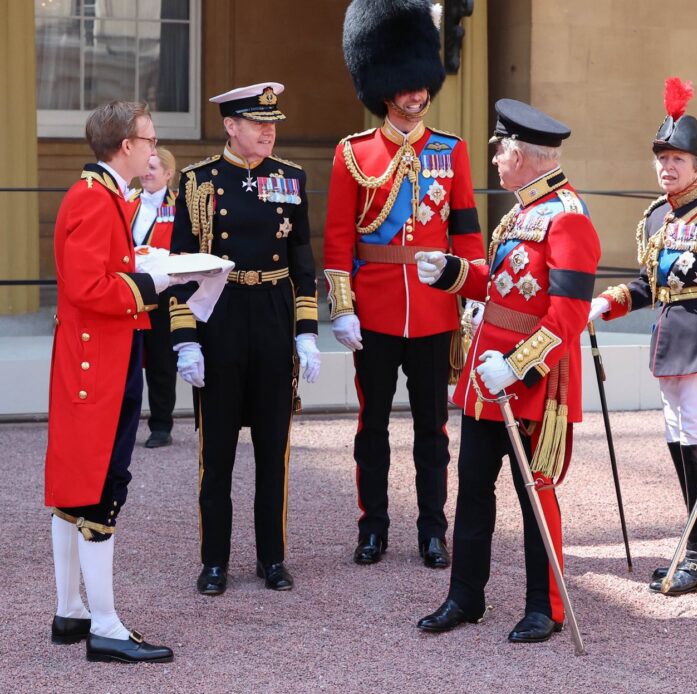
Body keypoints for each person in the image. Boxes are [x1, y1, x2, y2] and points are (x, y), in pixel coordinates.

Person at [413, 99, 600, 643]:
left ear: (522, 154)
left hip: (531, 384)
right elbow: (500, 287)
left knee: (533, 492)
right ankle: (465, 596)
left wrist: (515, 369)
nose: (494, 158)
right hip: (485, 379)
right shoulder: (521, 212)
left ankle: (546, 607)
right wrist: (452, 272)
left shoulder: (567, 216)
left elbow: (566, 315)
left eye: (500, 150)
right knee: (472, 487)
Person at [588, 78, 697, 596]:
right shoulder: (654, 217)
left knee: (696, 441)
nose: (668, 167)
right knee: (680, 441)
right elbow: (650, 283)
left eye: (678, 160)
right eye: (662, 159)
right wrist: (608, 302)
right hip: (669, 343)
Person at [326, 0, 484, 570]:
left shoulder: (451, 152)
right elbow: (340, 239)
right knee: (371, 429)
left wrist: (471, 300)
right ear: (384, 87)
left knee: (432, 431)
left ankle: (432, 529)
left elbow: (466, 232)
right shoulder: (354, 154)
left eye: (423, 85)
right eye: (407, 87)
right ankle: (373, 527)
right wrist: (342, 307)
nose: (418, 96)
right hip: (375, 309)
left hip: (436, 311)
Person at [169, 82, 321, 596]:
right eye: (257, 123)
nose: (268, 130)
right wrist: (185, 340)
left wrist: (306, 333)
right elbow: (179, 272)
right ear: (231, 126)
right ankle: (214, 561)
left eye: (272, 122)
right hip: (221, 316)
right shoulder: (196, 183)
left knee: (272, 450)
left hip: (274, 314)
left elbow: (302, 260)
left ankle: (272, 558)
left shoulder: (292, 179)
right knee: (218, 454)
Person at [45, 100, 174, 663]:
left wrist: (137, 268)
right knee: (100, 486)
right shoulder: (97, 200)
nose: (153, 148)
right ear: (126, 145)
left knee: (78, 485)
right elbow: (88, 287)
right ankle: (104, 624)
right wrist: (151, 283)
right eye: (148, 139)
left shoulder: (98, 195)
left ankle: (71, 611)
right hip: (100, 364)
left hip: (93, 360)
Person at [133, 147, 180, 448]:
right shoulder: (126, 202)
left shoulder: (180, 207)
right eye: (145, 166)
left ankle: (161, 425)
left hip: (165, 292)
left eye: (154, 167)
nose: (147, 172)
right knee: (129, 359)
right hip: (129, 290)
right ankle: (124, 421)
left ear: (168, 174)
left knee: (163, 360)